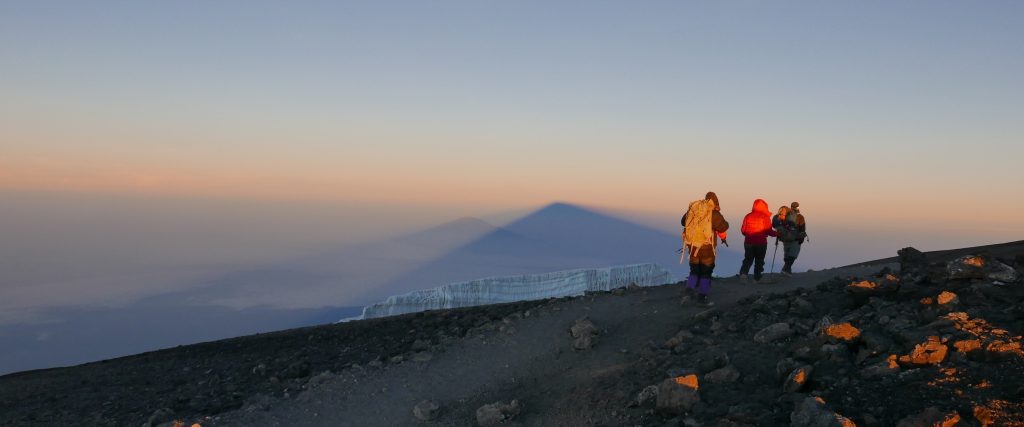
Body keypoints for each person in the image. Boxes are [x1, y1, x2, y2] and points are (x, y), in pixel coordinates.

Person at [681, 191, 729, 306]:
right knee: (706, 271)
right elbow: (724, 227)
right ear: (715, 202)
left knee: (694, 270)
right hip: (707, 248)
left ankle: (689, 291)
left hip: (692, 246)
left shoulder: (694, 210)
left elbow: (683, 222)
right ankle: (702, 295)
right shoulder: (714, 213)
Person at [739, 199, 777, 283]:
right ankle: (757, 278)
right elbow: (768, 231)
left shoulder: (748, 216)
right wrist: (777, 234)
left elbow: (743, 230)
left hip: (748, 242)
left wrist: (748, 235)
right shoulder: (765, 217)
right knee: (759, 260)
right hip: (761, 242)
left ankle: (743, 274)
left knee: (748, 259)